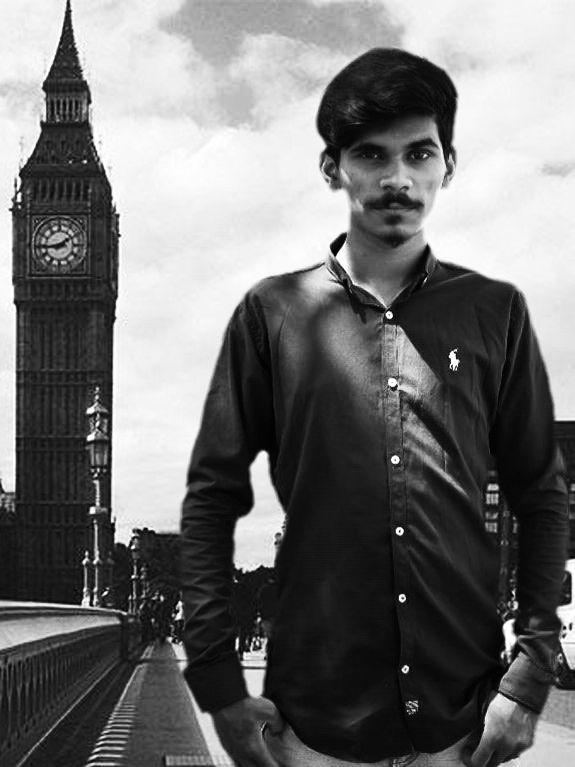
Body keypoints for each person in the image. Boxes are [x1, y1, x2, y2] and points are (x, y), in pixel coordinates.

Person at [180, 48, 569, 767]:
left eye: (419, 152)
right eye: (370, 154)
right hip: (316, 727)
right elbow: (211, 496)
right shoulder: (271, 313)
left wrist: (528, 678)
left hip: (458, 726)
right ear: (332, 168)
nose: (397, 178)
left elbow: (542, 497)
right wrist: (218, 685)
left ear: (447, 166)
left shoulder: (495, 312)